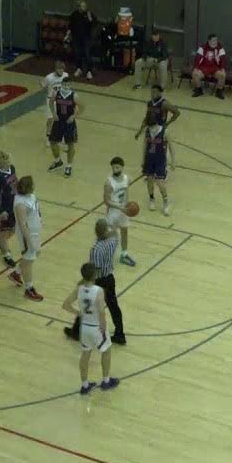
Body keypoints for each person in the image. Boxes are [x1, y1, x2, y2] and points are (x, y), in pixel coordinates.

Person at [64, 218, 127, 346]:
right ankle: (120, 334)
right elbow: (115, 232)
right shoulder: (112, 242)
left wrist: (82, 281)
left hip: (98, 280)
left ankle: (76, 331)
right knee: (114, 307)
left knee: (85, 303)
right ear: (106, 230)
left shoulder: (96, 249)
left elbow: (95, 271)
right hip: (109, 278)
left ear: (95, 231)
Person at [62, 262, 120, 394]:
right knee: (106, 351)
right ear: (94, 275)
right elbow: (101, 311)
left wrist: (77, 312)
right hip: (96, 327)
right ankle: (106, 381)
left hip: (84, 327)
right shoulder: (98, 291)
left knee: (85, 354)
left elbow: (65, 305)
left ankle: (84, 385)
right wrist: (104, 326)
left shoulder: (79, 289)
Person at [139, 84, 180, 215]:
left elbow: (172, 148)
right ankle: (151, 199)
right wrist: (142, 159)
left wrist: (173, 161)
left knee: (159, 181)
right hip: (149, 158)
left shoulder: (164, 131)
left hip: (160, 158)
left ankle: (166, 201)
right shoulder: (148, 129)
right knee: (149, 180)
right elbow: (144, 145)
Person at [8, 175, 44, 301]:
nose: (34, 186)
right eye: (32, 184)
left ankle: (16, 273)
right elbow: (23, 225)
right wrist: (30, 242)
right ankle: (29, 289)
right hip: (26, 235)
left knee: (32, 257)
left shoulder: (31, 196)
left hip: (35, 231)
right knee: (29, 260)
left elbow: (36, 210)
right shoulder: (20, 204)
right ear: (28, 187)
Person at [103, 157, 137, 266]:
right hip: (113, 212)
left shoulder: (127, 178)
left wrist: (127, 205)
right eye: (113, 168)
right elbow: (107, 201)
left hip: (124, 210)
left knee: (124, 232)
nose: (115, 170)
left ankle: (124, 254)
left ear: (122, 167)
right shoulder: (109, 182)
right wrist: (119, 207)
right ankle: (106, 256)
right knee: (110, 235)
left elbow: (126, 191)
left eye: (117, 167)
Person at [0, 150, 18, 267]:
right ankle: (7, 255)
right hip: (2, 209)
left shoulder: (12, 168)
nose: (6, 160)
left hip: (12, 206)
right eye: (3, 159)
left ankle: (0, 242)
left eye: (7, 158)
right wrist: (0, 211)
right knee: (4, 231)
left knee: (12, 230)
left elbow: (15, 186)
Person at [47, 78, 78, 177]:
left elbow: (81, 107)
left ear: (71, 85)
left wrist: (73, 116)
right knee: (52, 141)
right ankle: (58, 161)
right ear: (61, 84)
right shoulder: (56, 93)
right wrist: (53, 113)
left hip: (69, 122)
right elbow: (51, 102)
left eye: (68, 84)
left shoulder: (74, 95)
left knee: (70, 144)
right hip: (58, 120)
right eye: (64, 84)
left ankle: (68, 166)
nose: (66, 86)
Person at [66, 0, 96, 79]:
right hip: (76, 37)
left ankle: (89, 71)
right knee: (77, 53)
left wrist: (90, 20)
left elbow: (94, 24)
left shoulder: (89, 14)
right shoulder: (74, 15)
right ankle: (79, 68)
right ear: (79, 7)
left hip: (87, 38)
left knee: (87, 54)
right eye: (83, 6)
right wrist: (67, 35)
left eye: (85, 6)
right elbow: (70, 26)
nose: (84, 7)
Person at [191, 33, 227, 99]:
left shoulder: (220, 47)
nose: (215, 42)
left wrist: (223, 69)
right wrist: (196, 68)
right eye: (213, 40)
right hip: (204, 67)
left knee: (223, 75)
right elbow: (197, 58)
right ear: (209, 41)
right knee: (194, 74)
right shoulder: (202, 47)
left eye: (216, 40)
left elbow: (223, 59)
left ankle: (219, 91)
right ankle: (199, 90)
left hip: (215, 67)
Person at [41, 61, 68, 149]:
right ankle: (48, 137)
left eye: (62, 70)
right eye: (60, 69)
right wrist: (44, 87)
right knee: (50, 119)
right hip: (51, 100)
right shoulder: (49, 77)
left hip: (61, 100)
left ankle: (62, 137)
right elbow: (42, 84)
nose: (61, 71)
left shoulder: (66, 75)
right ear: (56, 69)